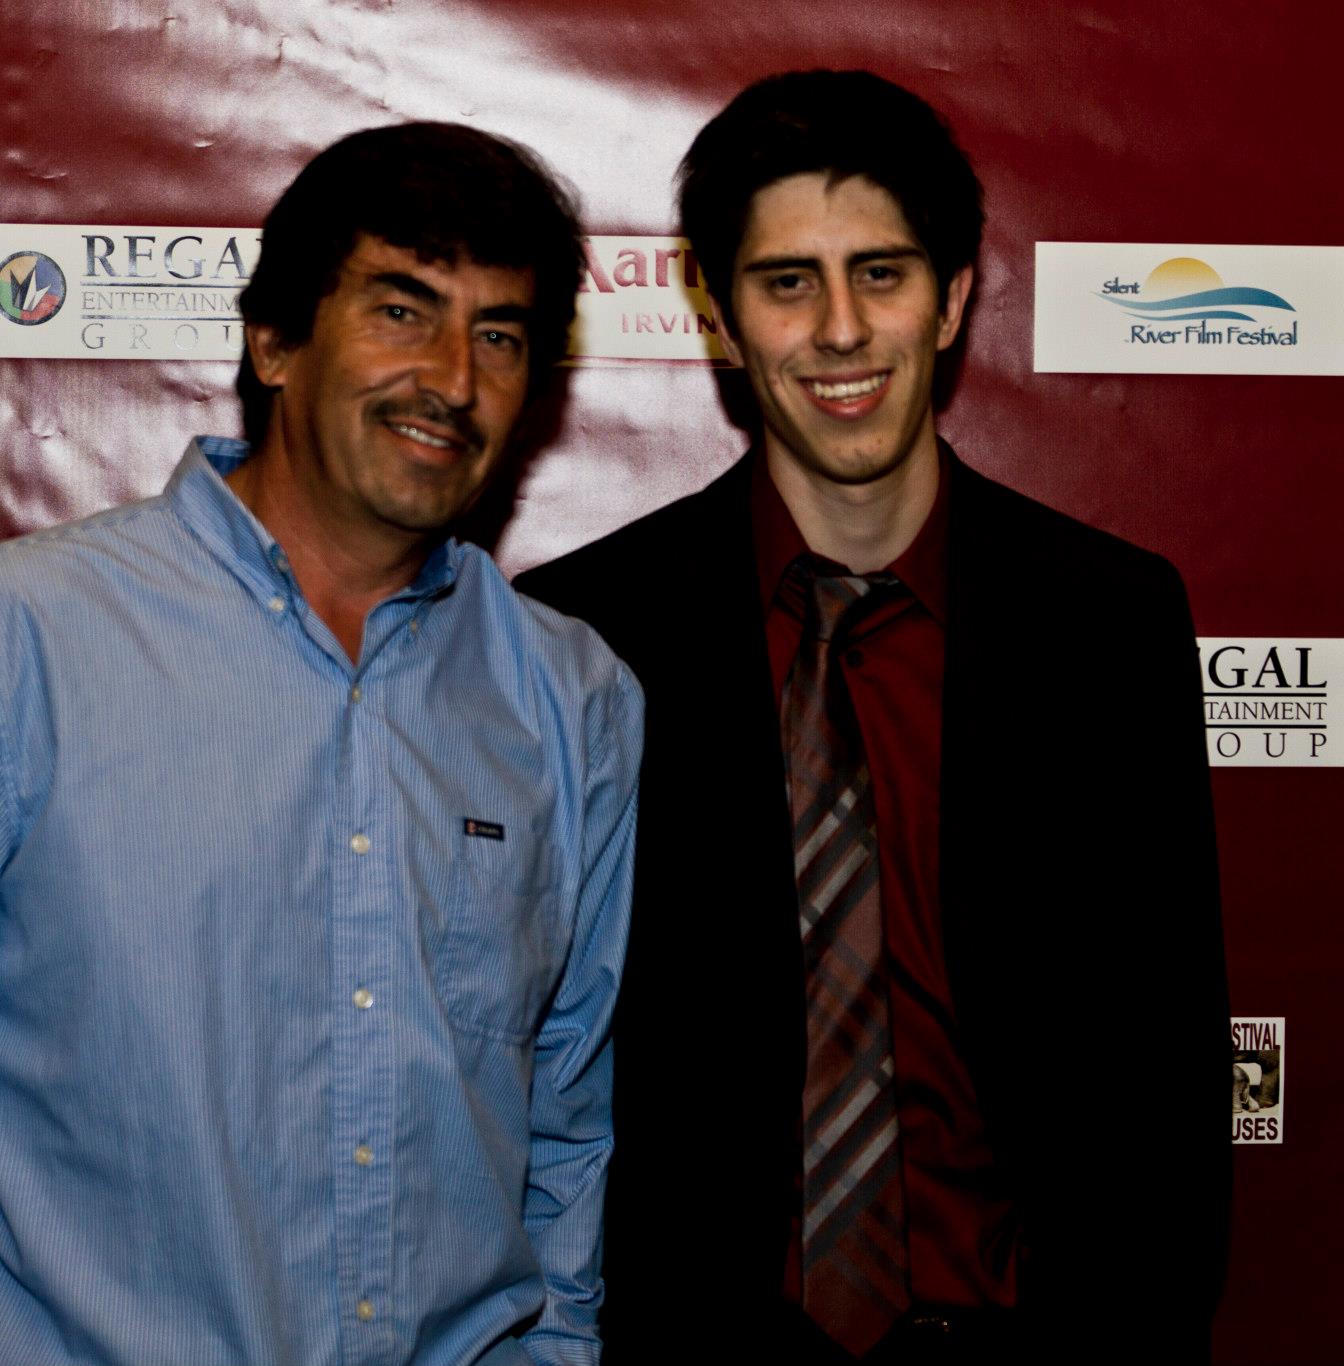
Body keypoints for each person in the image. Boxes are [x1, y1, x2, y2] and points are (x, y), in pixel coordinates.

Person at [0, 123, 641, 1366]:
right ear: (273, 339)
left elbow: (566, 1126)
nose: (453, 376)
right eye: (403, 309)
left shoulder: (575, 699)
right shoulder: (6, 646)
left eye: (499, 335)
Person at [517, 70, 1228, 1362]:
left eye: (882, 274)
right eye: (788, 282)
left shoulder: (1107, 619)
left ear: (954, 296)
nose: (839, 329)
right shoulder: (584, 630)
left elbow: (1169, 1063)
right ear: (721, 316)